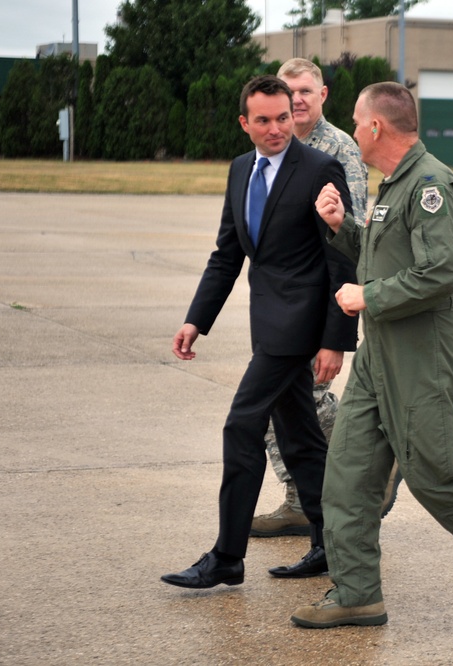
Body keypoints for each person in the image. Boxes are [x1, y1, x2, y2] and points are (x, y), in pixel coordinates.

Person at [290, 82, 453, 629]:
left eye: (356, 119)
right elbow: (387, 253)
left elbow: (442, 272)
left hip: (422, 358)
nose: (351, 128)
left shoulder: (432, 183)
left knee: (434, 475)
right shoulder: (394, 185)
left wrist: (368, 296)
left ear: (375, 128)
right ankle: (357, 592)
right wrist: (344, 229)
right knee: (347, 475)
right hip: (380, 355)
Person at [161, 75, 353, 589]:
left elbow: (343, 254)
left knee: (241, 426)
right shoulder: (241, 170)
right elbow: (228, 254)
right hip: (266, 324)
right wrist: (195, 320)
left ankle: (226, 556)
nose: (275, 128)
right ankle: (333, 544)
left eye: (283, 117)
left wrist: (336, 338)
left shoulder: (320, 168)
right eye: (263, 120)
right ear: (245, 123)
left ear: (294, 115)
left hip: (301, 326)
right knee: (300, 438)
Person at [251, 58, 403, 547]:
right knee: (287, 400)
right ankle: (302, 501)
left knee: (300, 397)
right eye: (286, 89)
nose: (294, 99)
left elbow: (349, 243)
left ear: (322, 95)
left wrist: (335, 334)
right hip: (284, 304)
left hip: (320, 302)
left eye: (303, 90)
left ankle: (379, 462)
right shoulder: (278, 146)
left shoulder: (339, 151)